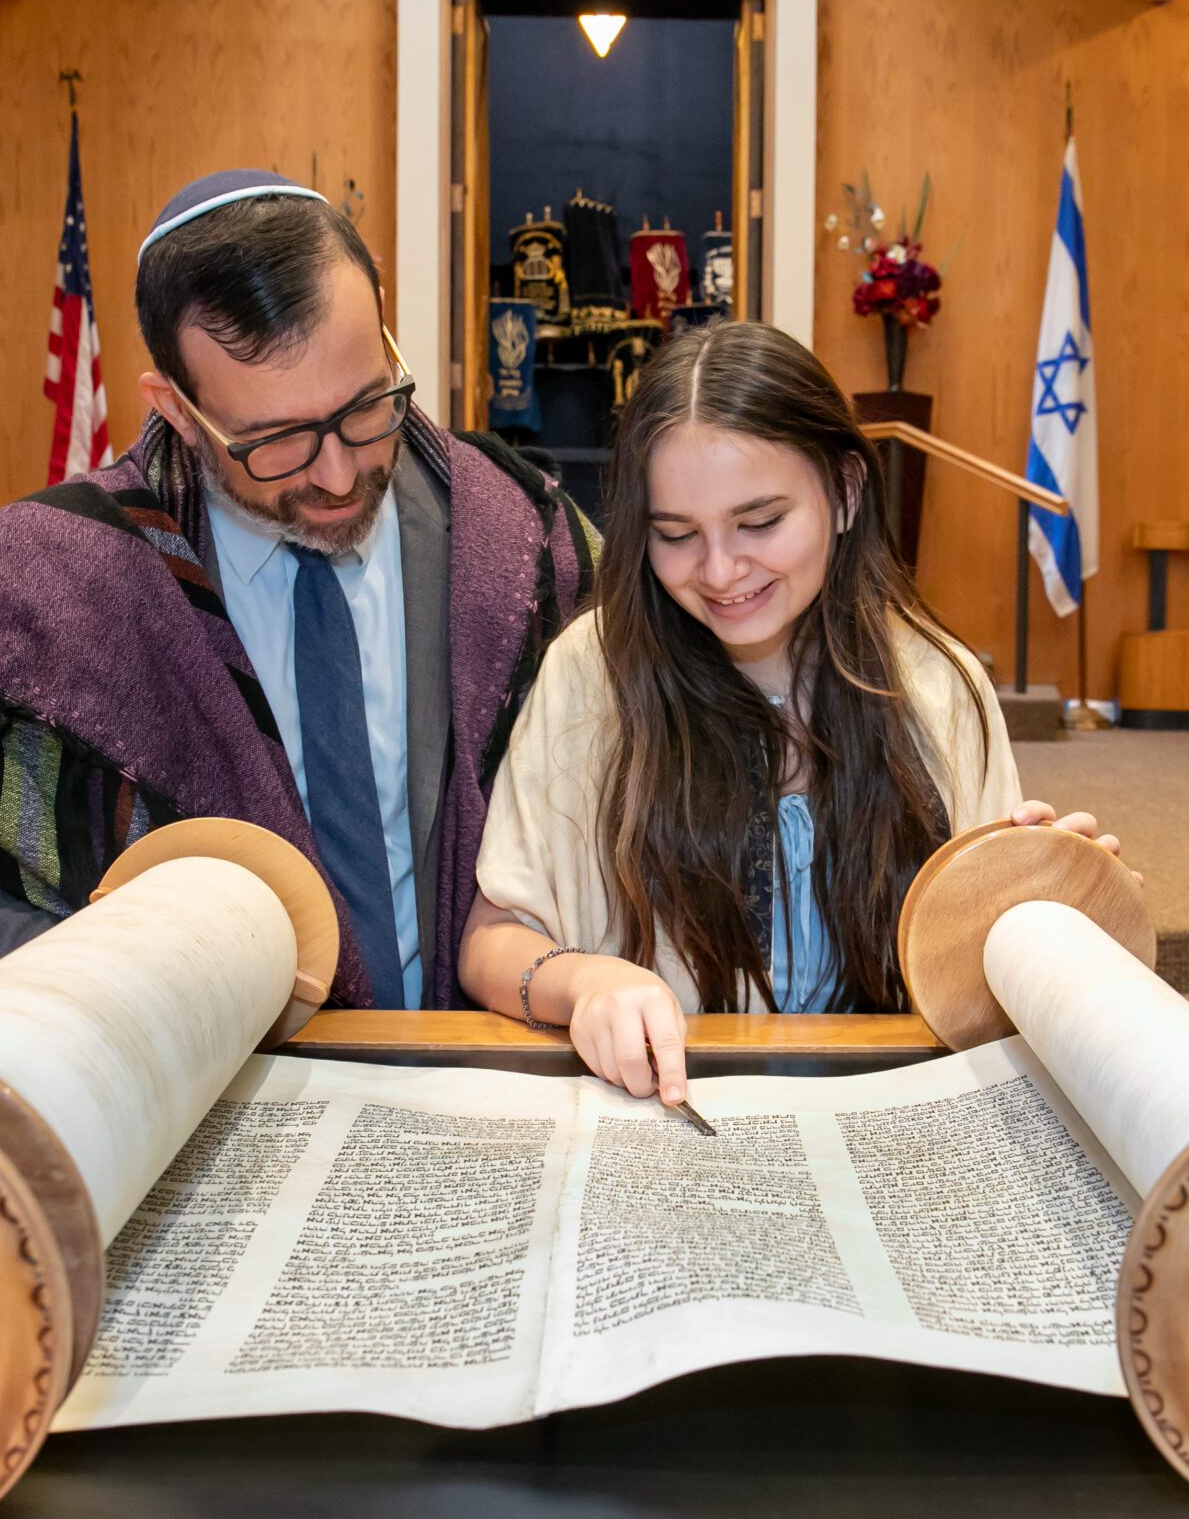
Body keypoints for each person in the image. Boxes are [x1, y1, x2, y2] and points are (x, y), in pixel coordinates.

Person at [0, 169, 596, 1021]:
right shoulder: (39, 594)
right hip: (203, 1093)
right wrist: (151, 991)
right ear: (178, 411)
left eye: (368, 406)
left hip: (478, 1064)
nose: (338, 474)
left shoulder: (520, 539)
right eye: (274, 442)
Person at [459, 321, 1129, 1105]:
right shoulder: (593, 676)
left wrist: (1048, 913)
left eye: (760, 523)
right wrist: (583, 981)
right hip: (663, 1121)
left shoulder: (936, 685)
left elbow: (976, 973)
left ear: (845, 491)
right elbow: (488, 944)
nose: (719, 571)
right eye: (676, 535)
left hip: (888, 1124)